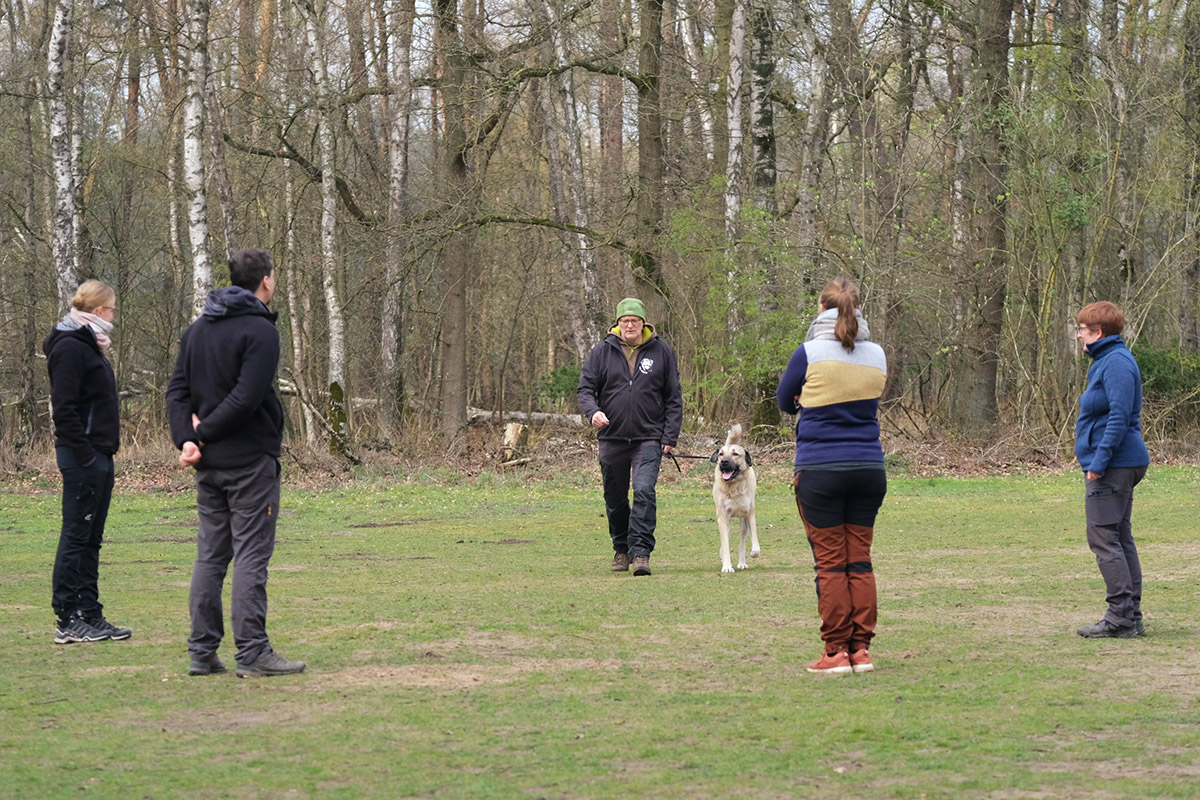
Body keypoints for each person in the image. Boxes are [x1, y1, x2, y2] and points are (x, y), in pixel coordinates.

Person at [166, 248, 305, 678]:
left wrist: (189, 439)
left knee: (210, 556)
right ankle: (252, 652)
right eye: (275, 275)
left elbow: (176, 393)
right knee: (250, 556)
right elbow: (246, 399)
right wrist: (195, 437)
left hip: (209, 464)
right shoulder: (261, 332)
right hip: (247, 463)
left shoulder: (197, 331)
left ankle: (202, 650)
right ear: (266, 280)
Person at [777, 276, 887, 675]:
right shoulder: (877, 354)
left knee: (829, 563)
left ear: (821, 310)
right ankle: (862, 650)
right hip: (869, 468)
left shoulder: (808, 352)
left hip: (820, 468)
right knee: (859, 559)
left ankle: (835, 650)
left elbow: (784, 402)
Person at [44, 279, 132, 645]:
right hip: (84, 456)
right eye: (111, 309)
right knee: (76, 535)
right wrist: (85, 455)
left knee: (92, 538)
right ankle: (67, 617)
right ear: (98, 311)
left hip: (100, 454)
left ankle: (90, 612)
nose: (113, 315)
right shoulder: (70, 348)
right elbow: (63, 410)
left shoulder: (91, 346)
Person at [578, 297, 683, 576]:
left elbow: (673, 397)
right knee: (615, 497)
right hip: (611, 437)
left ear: (643, 323)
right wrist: (593, 413)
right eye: (624, 321)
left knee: (645, 491)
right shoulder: (602, 351)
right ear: (618, 324)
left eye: (634, 321)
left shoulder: (661, 352)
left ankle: (641, 553)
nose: (629, 325)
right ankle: (621, 548)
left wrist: (670, 435)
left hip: (649, 436)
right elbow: (585, 389)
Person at [1073, 301, 1150, 639]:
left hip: (1115, 464)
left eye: (1082, 330)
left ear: (1098, 332)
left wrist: (1098, 463)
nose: (1079, 336)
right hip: (1119, 462)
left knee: (1104, 538)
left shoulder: (1116, 363)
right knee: (1119, 537)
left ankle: (1120, 618)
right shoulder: (1107, 360)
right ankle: (1130, 615)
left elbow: (1119, 417)